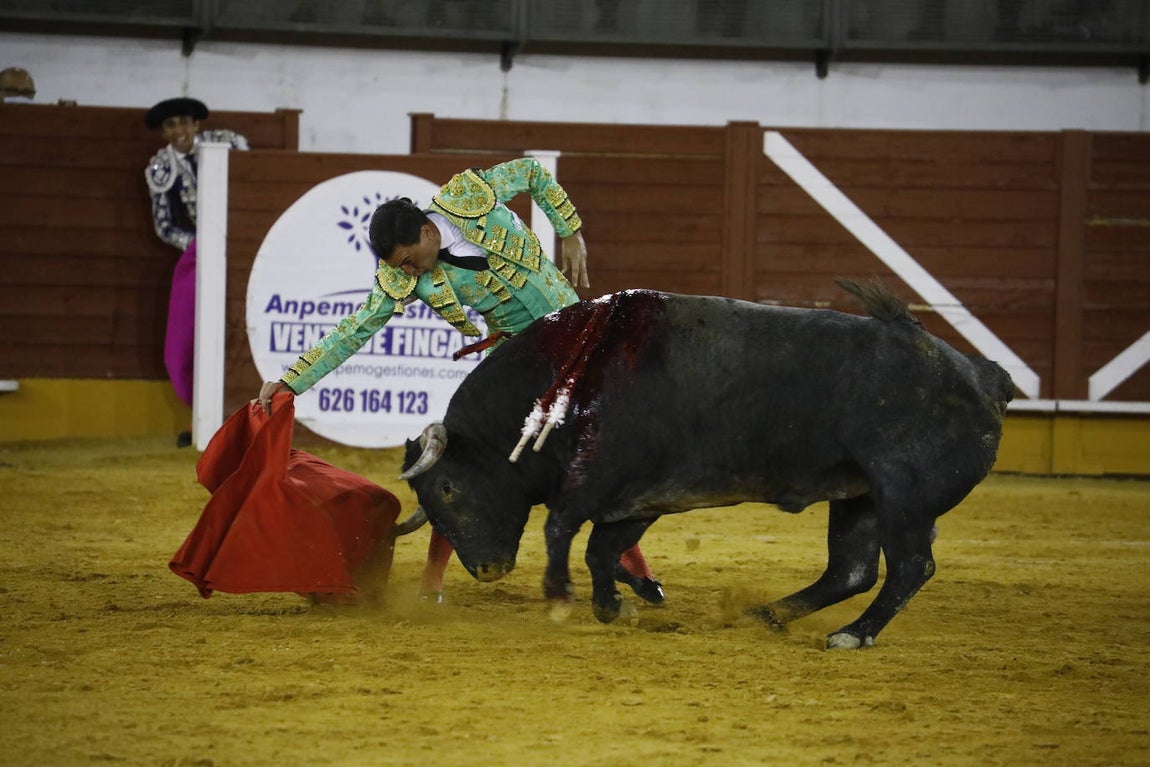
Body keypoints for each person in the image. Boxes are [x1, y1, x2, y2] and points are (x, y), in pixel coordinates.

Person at [254, 158, 665, 605]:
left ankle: (636, 570)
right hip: (510, 359)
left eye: (410, 261)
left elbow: (531, 172)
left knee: (593, 456)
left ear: (427, 234)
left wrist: (569, 230)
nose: (409, 273)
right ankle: (431, 585)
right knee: (465, 465)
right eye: (401, 267)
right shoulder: (398, 275)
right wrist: (293, 380)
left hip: (576, 339)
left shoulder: (469, 196)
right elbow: (355, 329)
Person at [144, 97, 249, 447]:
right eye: (171, 125)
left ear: (197, 125)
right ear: (164, 131)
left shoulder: (228, 143)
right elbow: (164, 225)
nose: (180, 131)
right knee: (194, 335)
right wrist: (201, 242)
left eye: (185, 123)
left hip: (244, 243)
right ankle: (202, 418)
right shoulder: (161, 166)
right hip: (202, 253)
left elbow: (253, 183)